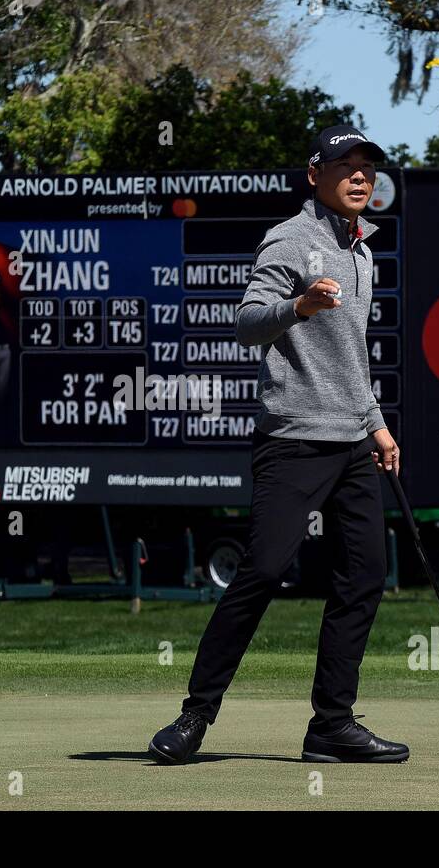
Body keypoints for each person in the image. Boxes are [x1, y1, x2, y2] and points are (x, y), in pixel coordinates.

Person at [148, 125, 406, 765]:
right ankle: (194, 717)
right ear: (315, 174)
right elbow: (245, 324)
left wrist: (375, 421)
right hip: (292, 440)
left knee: (365, 573)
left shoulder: (363, 252)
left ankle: (332, 725)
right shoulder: (291, 239)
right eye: (346, 167)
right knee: (262, 570)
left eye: (367, 170)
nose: (360, 178)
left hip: (352, 442)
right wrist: (299, 305)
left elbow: (353, 359)